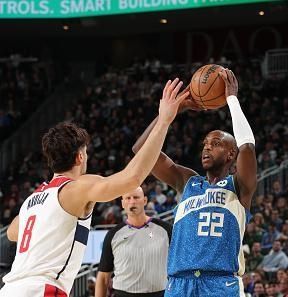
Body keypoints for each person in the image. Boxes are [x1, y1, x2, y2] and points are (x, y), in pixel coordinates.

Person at [0, 78, 188, 297]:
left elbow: (13, 234)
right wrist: (164, 121)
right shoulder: (76, 187)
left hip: (10, 289)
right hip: (41, 290)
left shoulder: (32, 201)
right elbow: (132, 178)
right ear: (80, 156)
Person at [132, 69, 257, 296]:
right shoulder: (188, 181)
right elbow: (141, 151)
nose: (207, 147)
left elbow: (247, 146)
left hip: (220, 284)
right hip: (179, 284)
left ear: (231, 155)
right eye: (205, 143)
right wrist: (170, 113)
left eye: (216, 143)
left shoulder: (239, 187)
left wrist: (231, 99)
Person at [95, 187, 172, 297]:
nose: (132, 202)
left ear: (145, 201)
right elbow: (103, 277)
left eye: (136, 197)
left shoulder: (166, 230)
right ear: (122, 203)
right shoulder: (113, 235)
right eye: (128, 198)